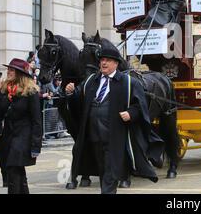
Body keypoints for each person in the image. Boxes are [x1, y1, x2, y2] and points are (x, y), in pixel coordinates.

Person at [65, 48, 163, 194]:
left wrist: (131, 113)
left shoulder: (129, 82)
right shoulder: (91, 81)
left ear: (116, 64)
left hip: (115, 138)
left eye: (108, 60)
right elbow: (78, 101)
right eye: (102, 60)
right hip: (94, 137)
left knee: (110, 173)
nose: (103, 63)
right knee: (103, 171)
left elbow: (140, 107)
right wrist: (71, 92)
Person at [0, 59, 42, 194]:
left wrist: (36, 145)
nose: (8, 72)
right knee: (18, 171)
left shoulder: (31, 92)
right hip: (8, 137)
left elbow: (37, 121)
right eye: (8, 69)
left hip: (24, 138)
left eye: (12, 70)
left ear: (20, 73)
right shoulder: (3, 91)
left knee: (12, 169)